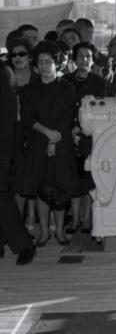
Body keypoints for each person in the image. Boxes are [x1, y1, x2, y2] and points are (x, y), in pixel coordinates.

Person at [21, 41, 79, 247]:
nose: (44, 66)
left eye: (49, 61)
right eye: (40, 62)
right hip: (38, 142)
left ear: (57, 63)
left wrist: (54, 140)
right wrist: (47, 134)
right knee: (41, 188)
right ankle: (44, 231)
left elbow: (67, 117)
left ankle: (60, 231)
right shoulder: (28, 90)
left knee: (60, 188)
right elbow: (27, 117)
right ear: (36, 65)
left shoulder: (68, 88)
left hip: (61, 143)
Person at [63, 41, 107, 234]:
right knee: (72, 178)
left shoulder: (100, 83)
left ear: (93, 60)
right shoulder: (65, 81)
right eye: (80, 56)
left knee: (90, 178)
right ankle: (75, 219)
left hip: (90, 136)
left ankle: (87, 218)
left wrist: (80, 129)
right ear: (74, 59)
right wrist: (70, 129)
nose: (84, 60)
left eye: (88, 56)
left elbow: (100, 112)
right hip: (67, 134)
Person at [0, 60, 36, 265]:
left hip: (1, 149)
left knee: (1, 197)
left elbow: (7, 118)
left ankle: (24, 245)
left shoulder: (4, 73)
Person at [6, 38, 37, 236]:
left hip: (34, 132)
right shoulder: (5, 78)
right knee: (15, 180)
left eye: (22, 54)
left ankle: (31, 219)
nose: (17, 58)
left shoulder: (38, 78)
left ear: (30, 56)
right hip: (11, 133)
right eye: (13, 54)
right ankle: (17, 225)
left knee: (31, 178)